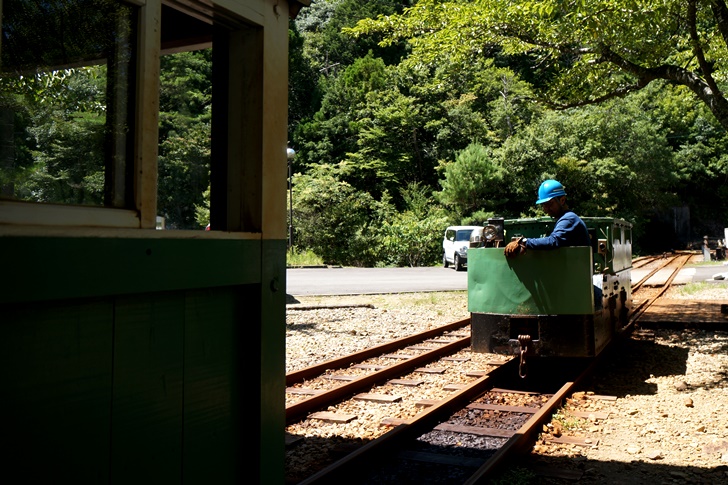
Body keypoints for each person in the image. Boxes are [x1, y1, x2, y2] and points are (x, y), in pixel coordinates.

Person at [504, 179, 590, 258]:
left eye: (549, 204)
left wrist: (524, 242)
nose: (546, 209)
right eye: (543, 205)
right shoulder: (566, 218)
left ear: (562, 200)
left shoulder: (569, 219)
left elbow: (553, 241)